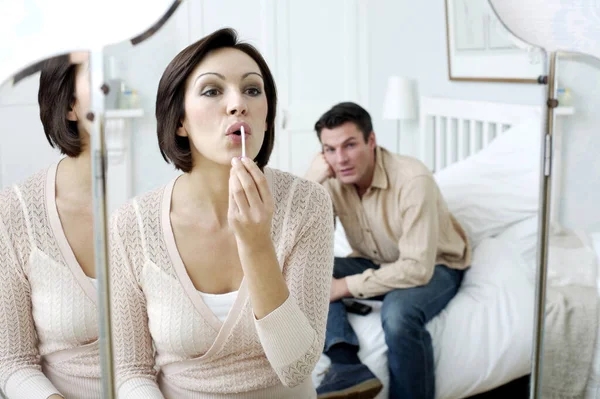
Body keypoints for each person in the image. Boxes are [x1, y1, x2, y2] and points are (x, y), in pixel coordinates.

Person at [108, 28, 334, 398]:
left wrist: (258, 245)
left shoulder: (308, 204)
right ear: (179, 120)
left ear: (265, 117)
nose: (237, 104)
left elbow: (296, 366)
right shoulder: (131, 224)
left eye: (252, 90)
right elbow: (132, 372)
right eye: (212, 90)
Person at [305, 102, 472, 399]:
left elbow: (416, 268)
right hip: (376, 260)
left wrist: (344, 287)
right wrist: (310, 183)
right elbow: (305, 246)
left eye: (350, 145)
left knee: (397, 316)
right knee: (306, 272)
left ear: (372, 141)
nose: (340, 159)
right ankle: (346, 365)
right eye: (330, 150)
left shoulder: (413, 180)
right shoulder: (331, 180)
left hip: (437, 265)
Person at [0, 54, 102, 398]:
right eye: (102, 72)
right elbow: (12, 362)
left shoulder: (171, 201)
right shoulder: (16, 212)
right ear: (71, 105)